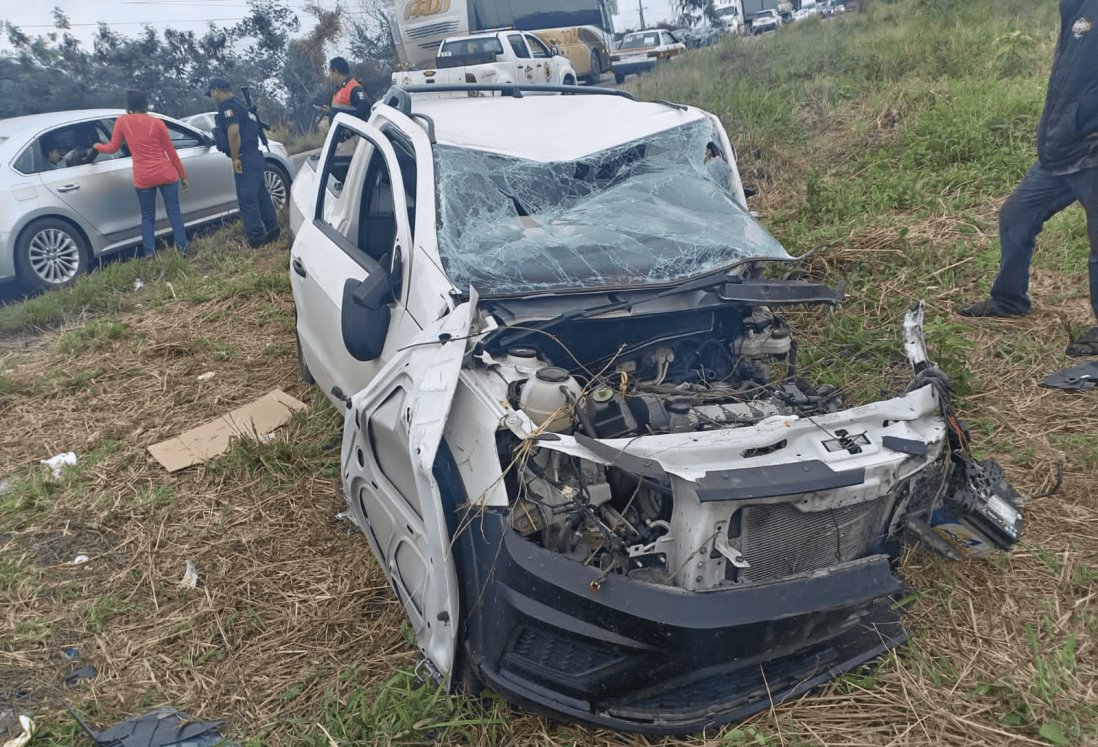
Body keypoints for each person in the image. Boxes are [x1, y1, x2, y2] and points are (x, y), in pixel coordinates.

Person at [959, 0, 1098, 357]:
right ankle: (1008, 300)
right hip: (1059, 151)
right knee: (1016, 216)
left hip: (1093, 153)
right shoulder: (1076, 9)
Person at [94, 89, 189, 257]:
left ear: (129, 106)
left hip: (143, 176)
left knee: (147, 216)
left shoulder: (122, 122)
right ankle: (183, 248)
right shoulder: (158, 123)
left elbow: (112, 148)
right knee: (174, 211)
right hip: (166, 173)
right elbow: (171, 152)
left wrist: (96, 146)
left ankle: (149, 253)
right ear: (145, 104)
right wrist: (182, 175)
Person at [205, 78, 280, 248]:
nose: (212, 98)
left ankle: (256, 239)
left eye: (211, 94)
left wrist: (234, 158)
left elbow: (233, 133)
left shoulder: (227, 107)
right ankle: (273, 228)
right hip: (254, 155)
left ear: (216, 90)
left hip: (245, 156)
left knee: (247, 199)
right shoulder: (238, 104)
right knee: (261, 194)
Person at [326, 56, 371, 124]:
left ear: (336, 72)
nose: (329, 75)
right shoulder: (339, 89)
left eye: (330, 71)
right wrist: (329, 111)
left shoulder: (354, 88)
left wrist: (350, 126)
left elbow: (365, 105)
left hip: (350, 134)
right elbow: (342, 110)